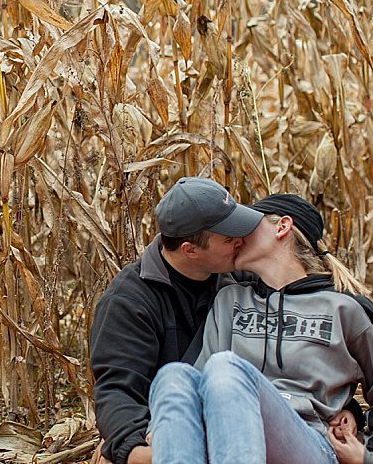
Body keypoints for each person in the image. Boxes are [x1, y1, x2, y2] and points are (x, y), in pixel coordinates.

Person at [147, 194, 373, 464]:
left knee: (225, 368)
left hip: (308, 443)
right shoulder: (229, 300)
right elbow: (195, 380)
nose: (237, 238)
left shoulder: (343, 308)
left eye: (248, 226)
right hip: (223, 438)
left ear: (282, 227)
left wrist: (372, 458)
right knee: (172, 376)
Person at [90, 176, 265, 464]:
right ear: (190, 250)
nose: (241, 242)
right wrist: (133, 449)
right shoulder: (129, 301)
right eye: (228, 238)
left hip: (240, 422)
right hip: (168, 428)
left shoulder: (244, 277)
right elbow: (118, 390)